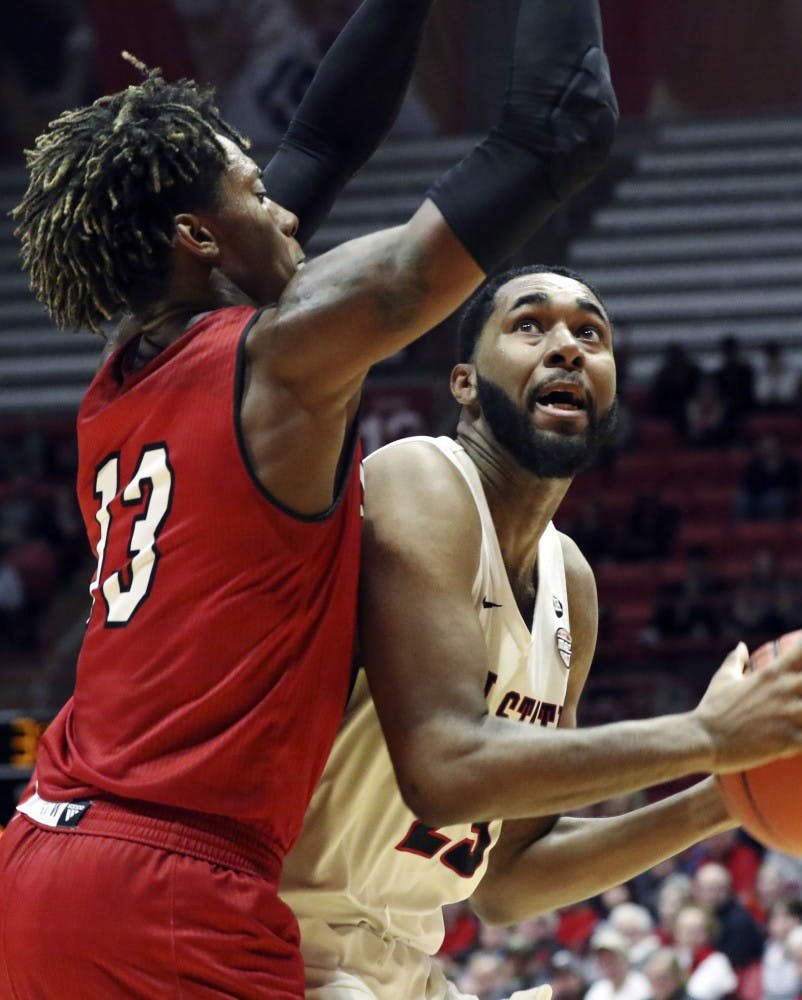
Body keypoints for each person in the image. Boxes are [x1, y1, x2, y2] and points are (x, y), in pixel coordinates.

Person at [0, 0, 621, 992]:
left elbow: (325, 140)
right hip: (177, 884)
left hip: (43, 856)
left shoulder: (124, 368)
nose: (284, 207)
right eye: (255, 192)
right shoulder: (283, 358)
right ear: (198, 234)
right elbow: (560, 126)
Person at [279, 265, 802, 999]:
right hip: (289, 942)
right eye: (530, 325)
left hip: (403, 961)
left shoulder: (572, 581)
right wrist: (706, 735)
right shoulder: (420, 478)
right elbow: (443, 769)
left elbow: (508, 881)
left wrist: (726, 797)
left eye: (589, 332)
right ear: (465, 384)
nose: (567, 347)